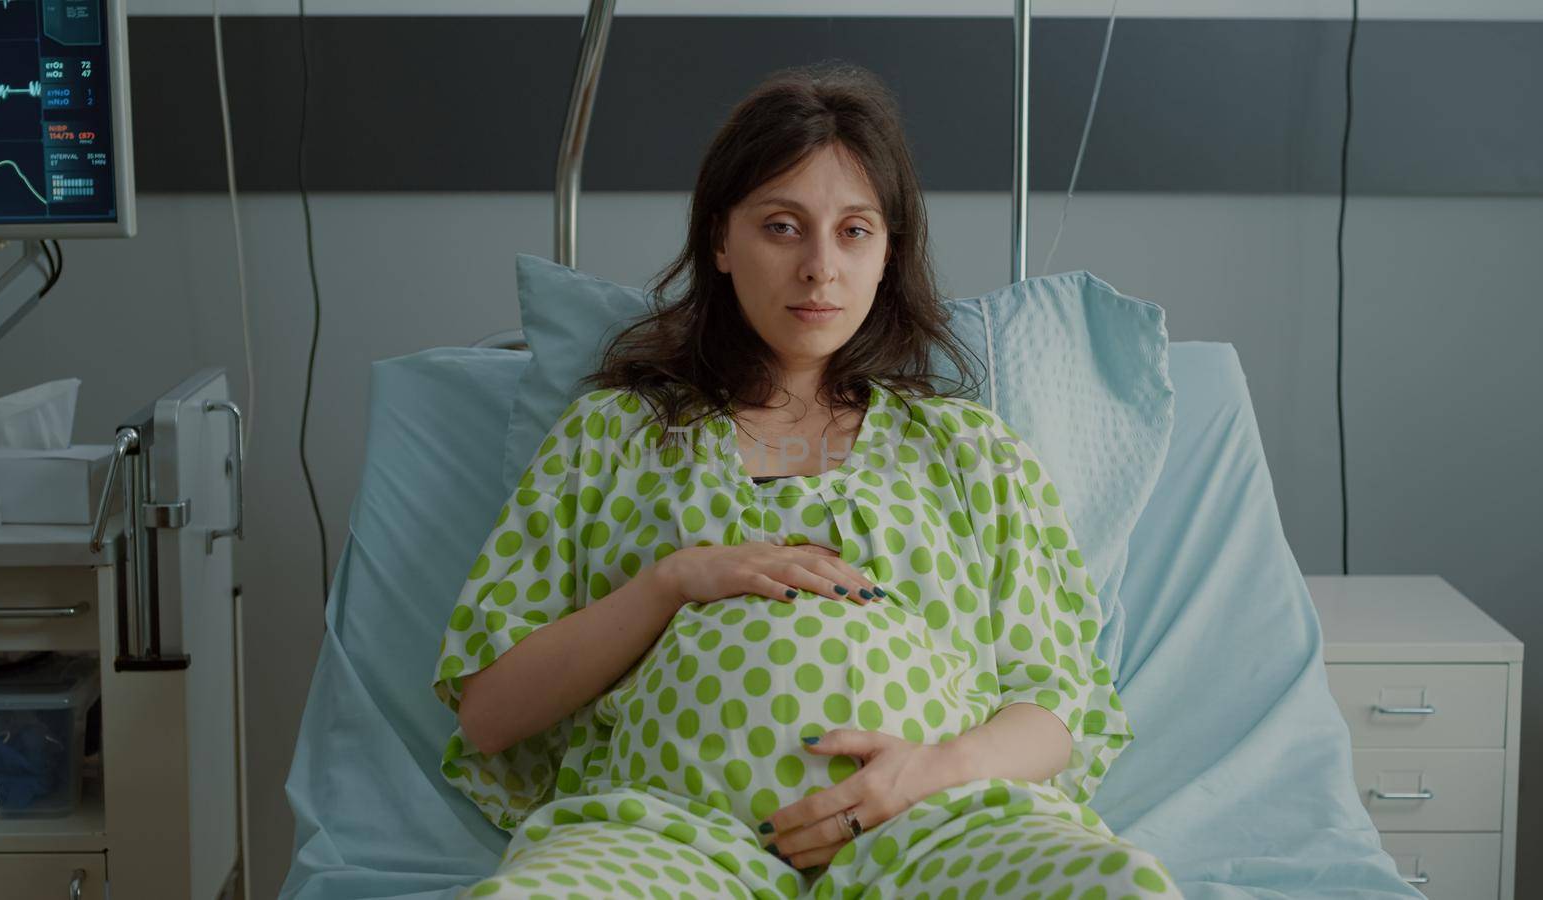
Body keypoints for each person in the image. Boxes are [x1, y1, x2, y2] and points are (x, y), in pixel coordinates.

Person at [432, 61, 1181, 900]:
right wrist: (675, 581)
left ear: (889, 249)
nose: (821, 268)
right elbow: (490, 714)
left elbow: (1057, 707)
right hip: (666, 834)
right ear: (721, 240)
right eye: (783, 227)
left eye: (855, 231)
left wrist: (929, 773)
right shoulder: (613, 438)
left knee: (1118, 888)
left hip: (938, 826)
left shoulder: (970, 452)